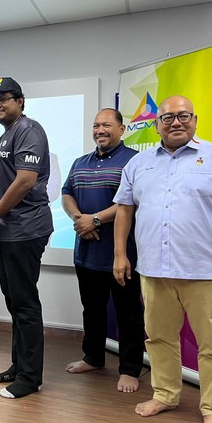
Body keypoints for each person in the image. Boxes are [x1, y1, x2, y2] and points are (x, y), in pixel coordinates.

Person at [113, 95, 212, 423]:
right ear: (156, 124)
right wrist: (120, 254)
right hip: (154, 270)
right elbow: (124, 210)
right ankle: (165, 394)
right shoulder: (139, 163)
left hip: (207, 272)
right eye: (167, 117)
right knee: (159, 338)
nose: (176, 122)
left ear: (195, 120)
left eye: (183, 116)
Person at [0, 77, 53, 399]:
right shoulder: (8, 133)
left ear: (20, 101)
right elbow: (10, 177)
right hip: (9, 232)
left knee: (25, 303)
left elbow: (25, 181)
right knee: (15, 302)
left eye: (4, 99)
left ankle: (30, 378)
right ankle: (19, 366)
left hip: (25, 229)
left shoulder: (28, 130)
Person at [61, 108, 144, 393]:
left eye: (107, 125)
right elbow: (66, 193)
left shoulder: (135, 160)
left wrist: (94, 219)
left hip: (123, 255)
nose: (100, 130)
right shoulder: (80, 162)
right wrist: (79, 219)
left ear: (121, 129)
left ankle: (130, 369)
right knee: (92, 310)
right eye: (96, 125)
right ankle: (93, 358)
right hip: (86, 253)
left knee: (128, 313)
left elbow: (131, 201)